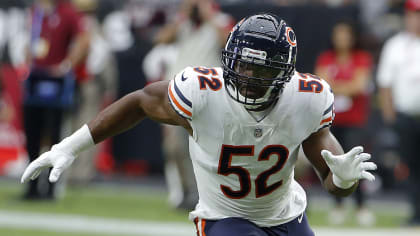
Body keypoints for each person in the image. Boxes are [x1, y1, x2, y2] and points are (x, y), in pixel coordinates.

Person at [21, 14, 377, 235]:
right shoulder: (204, 91)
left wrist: (343, 179)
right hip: (225, 217)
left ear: (284, 74)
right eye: (244, 65)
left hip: (286, 216)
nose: (249, 77)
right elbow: (140, 102)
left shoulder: (306, 97)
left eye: (262, 70)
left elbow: (335, 186)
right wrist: (70, 145)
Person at [152, 0, 233, 210]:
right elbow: (161, 38)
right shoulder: (183, 22)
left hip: (208, 94)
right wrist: (182, 16)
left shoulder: (221, 21)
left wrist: (209, 17)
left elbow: (229, 45)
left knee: (208, 148)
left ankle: (210, 195)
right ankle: (189, 191)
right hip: (178, 90)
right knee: (175, 147)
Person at [22, 0, 90, 200]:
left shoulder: (67, 12)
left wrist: (67, 66)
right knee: (32, 133)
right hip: (36, 78)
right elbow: (30, 41)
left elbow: (83, 40)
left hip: (56, 81)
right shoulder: (37, 11)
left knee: (54, 135)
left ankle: (51, 188)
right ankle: (32, 186)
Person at [315, 20, 374, 226]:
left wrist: (335, 86)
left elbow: (359, 86)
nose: (342, 39)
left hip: (355, 120)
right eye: (338, 34)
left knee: (356, 161)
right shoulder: (326, 58)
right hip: (331, 120)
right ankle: (337, 205)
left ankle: (361, 206)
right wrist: (345, 86)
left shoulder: (361, 58)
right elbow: (321, 85)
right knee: (332, 161)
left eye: (345, 34)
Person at [377, 0, 420, 226]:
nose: (417, 20)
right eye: (414, 15)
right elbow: (385, 84)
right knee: (410, 166)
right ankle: (416, 212)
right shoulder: (395, 45)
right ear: (407, 17)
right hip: (405, 116)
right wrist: (390, 119)